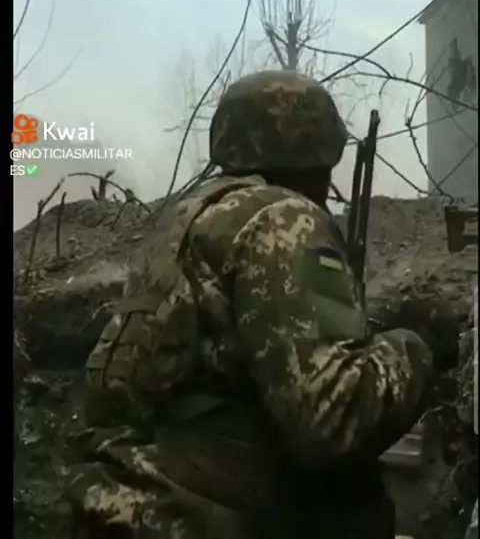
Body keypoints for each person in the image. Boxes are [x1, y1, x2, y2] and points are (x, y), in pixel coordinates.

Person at [66, 69, 438, 539]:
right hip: (187, 518)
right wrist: (413, 350)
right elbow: (330, 419)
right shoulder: (283, 218)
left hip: (118, 506)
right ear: (319, 154)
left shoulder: (187, 219)